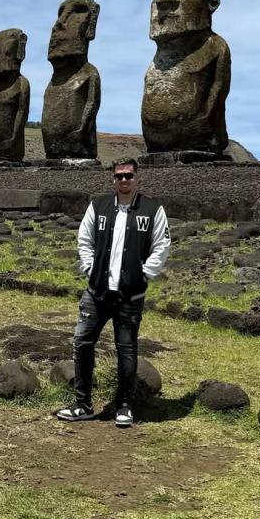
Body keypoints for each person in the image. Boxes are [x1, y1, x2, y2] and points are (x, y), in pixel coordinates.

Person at [56, 157, 171, 427]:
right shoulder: (99, 206)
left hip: (130, 296)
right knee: (82, 342)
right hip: (97, 293)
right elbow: (84, 239)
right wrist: (89, 268)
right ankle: (82, 403)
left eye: (128, 175)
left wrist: (143, 274)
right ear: (113, 179)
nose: (123, 180)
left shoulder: (152, 209)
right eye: (119, 176)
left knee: (127, 350)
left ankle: (124, 405)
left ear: (137, 177)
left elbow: (162, 244)